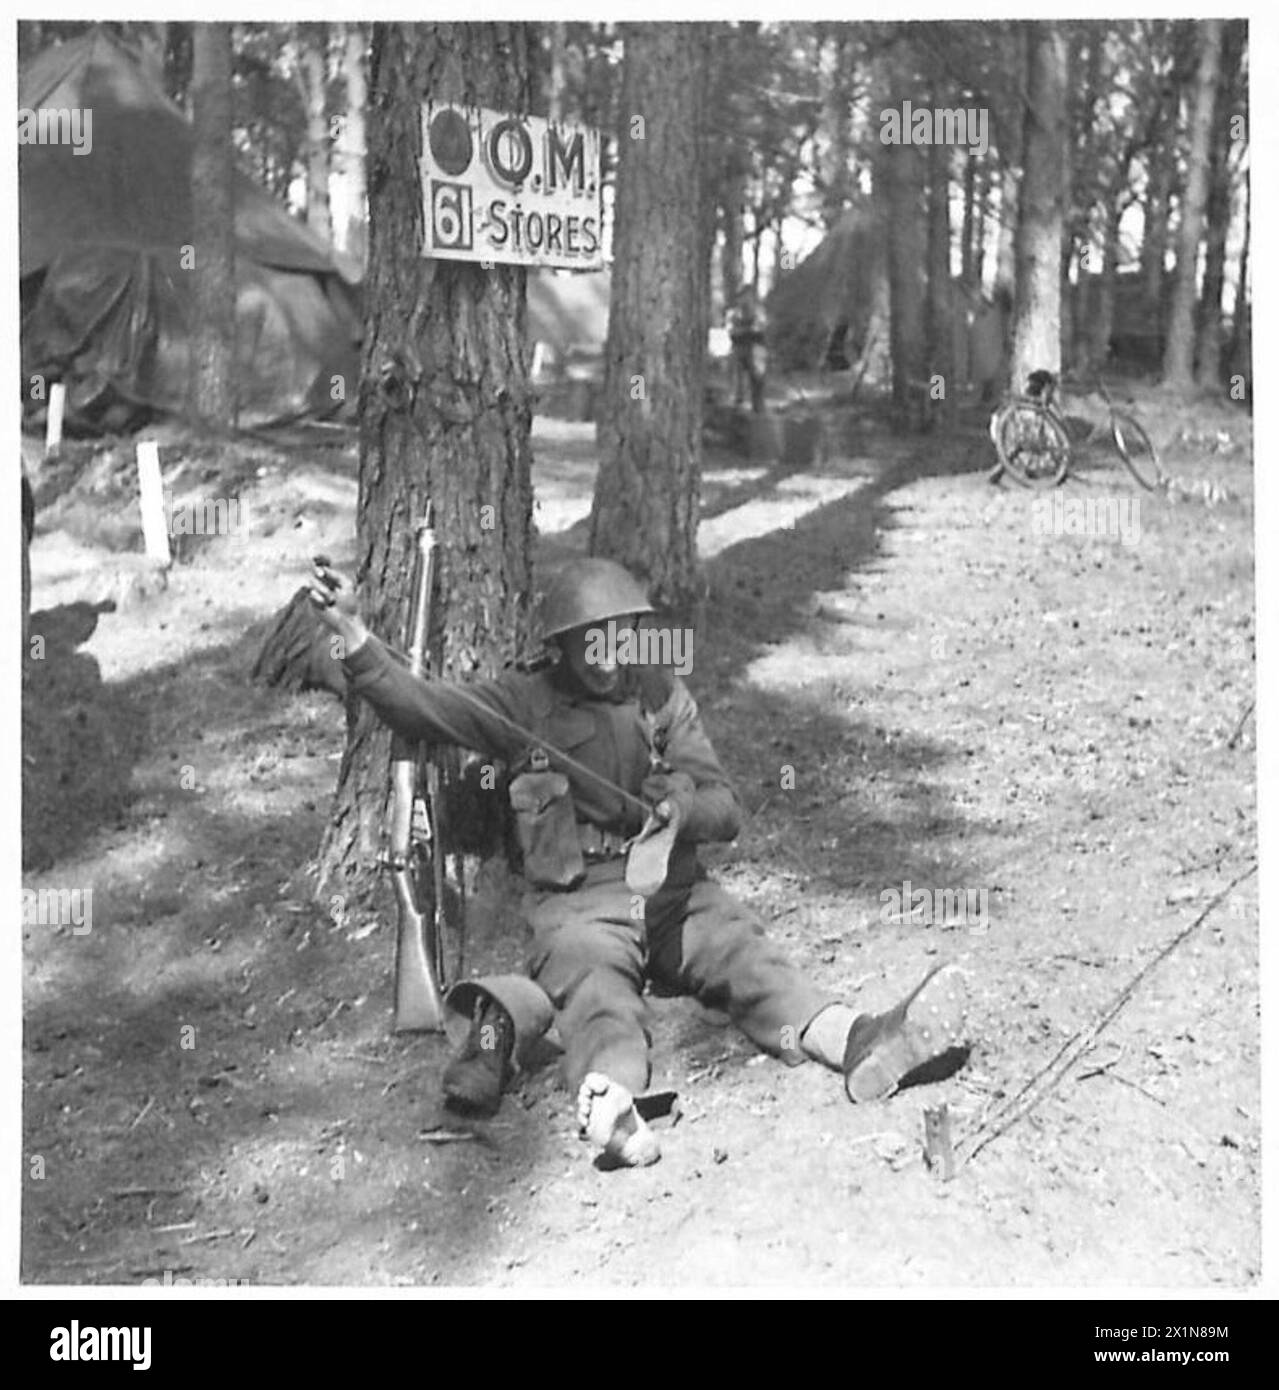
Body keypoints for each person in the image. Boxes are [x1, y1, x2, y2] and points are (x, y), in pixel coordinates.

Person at [308, 555, 970, 1167]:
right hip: (578, 907)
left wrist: (680, 810)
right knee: (597, 995)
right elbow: (423, 707)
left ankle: (854, 1040)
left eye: (616, 635)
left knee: (745, 952)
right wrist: (355, 635)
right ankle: (613, 1104)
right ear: (557, 645)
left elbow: (726, 808)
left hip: (672, 893)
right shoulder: (521, 702)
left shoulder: (660, 695)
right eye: (586, 641)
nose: (603, 656)